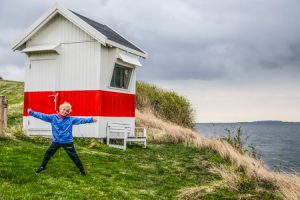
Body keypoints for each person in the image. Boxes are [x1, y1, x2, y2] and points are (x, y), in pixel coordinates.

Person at [28, 102, 97, 176]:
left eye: (67, 111)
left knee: (74, 156)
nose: (65, 112)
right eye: (64, 109)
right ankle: (42, 167)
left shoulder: (71, 119)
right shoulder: (53, 117)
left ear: (68, 112)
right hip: (56, 141)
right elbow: (42, 116)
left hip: (67, 142)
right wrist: (31, 113)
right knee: (48, 154)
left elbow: (81, 120)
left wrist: (91, 119)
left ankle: (82, 171)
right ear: (60, 109)